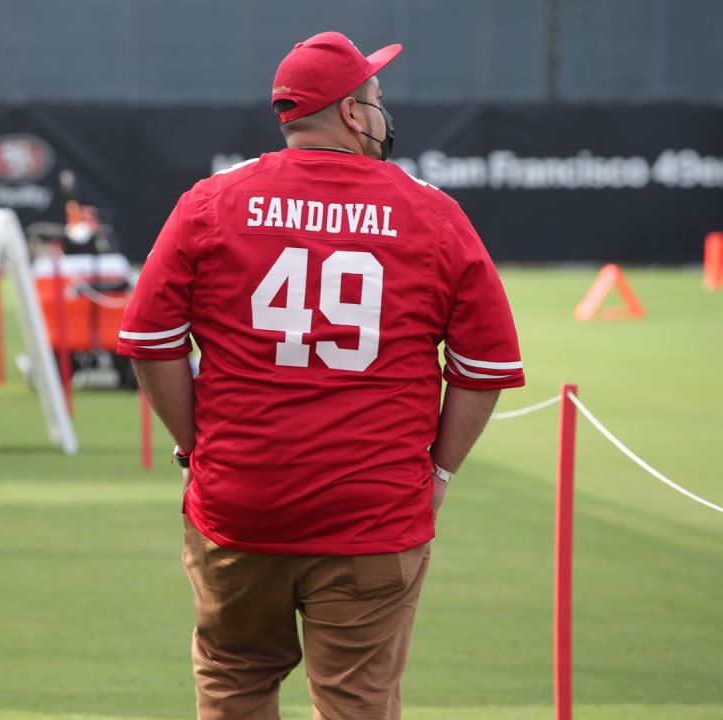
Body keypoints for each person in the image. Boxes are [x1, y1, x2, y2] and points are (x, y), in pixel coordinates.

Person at [117, 31, 525, 720]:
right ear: (349, 112)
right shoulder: (431, 212)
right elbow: (483, 367)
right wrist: (441, 474)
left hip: (240, 503)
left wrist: (196, 449)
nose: (381, 110)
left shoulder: (213, 200)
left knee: (234, 683)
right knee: (357, 706)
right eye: (375, 97)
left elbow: (150, 341)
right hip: (372, 511)